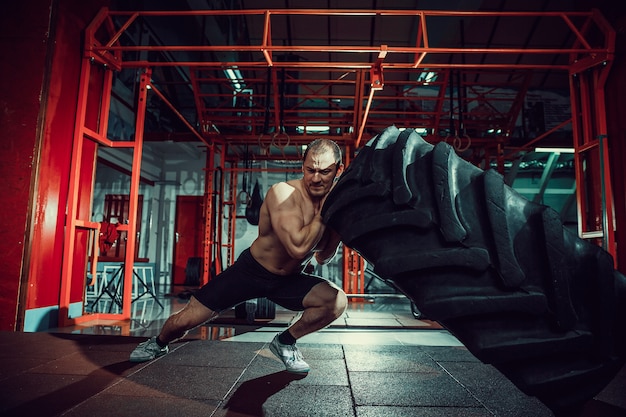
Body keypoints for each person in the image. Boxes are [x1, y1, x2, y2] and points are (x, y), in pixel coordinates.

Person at [130, 138, 348, 373]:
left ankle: (285, 342)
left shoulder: (333, 205)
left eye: (325, 172)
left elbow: (322, 258)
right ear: (302, 166)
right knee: (185, 320)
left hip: (288, 279)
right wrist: (325, 211)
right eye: (310, 170)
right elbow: (297, 248)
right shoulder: (284, 193)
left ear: (339, 169)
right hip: (251, 271)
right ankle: (159, 342)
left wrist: (336, 224)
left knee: (336, 301)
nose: (316, 178)